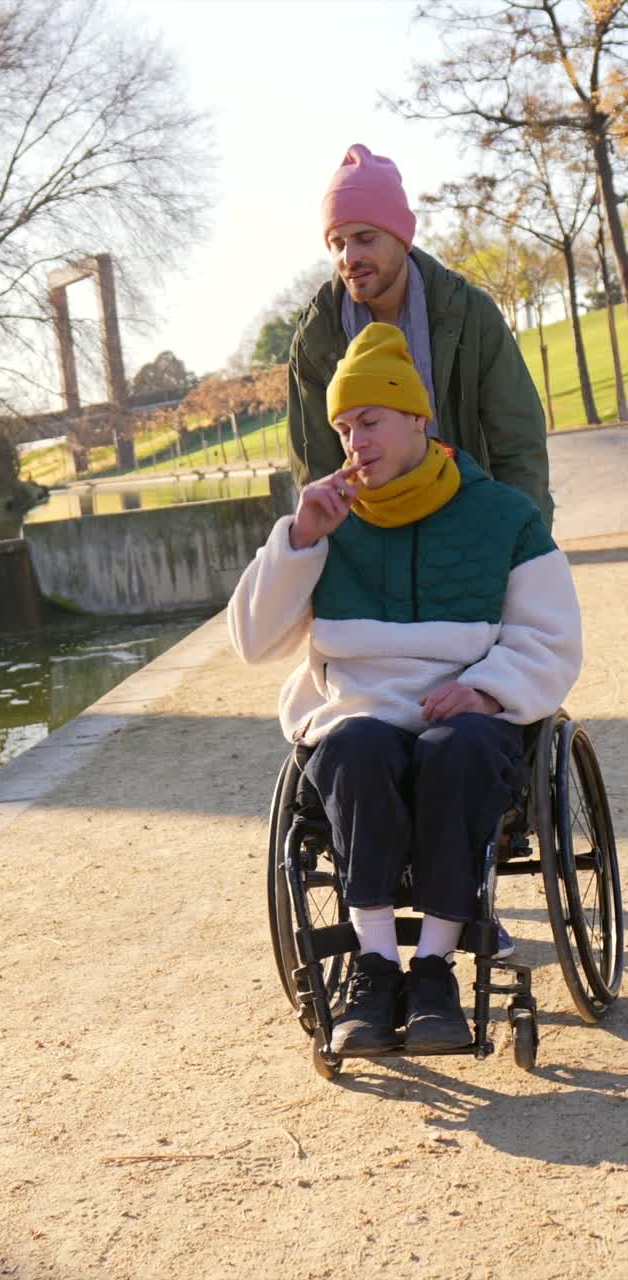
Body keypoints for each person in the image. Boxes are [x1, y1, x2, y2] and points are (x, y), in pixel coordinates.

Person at [228, 323, 581, 1056]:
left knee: (461, 749)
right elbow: (253, 642)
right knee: (354, 745)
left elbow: (550, 639)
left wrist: (488, 690)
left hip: (471, 711)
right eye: (344, 426)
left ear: (417, 418)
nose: (355, 440)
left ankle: (434, 971)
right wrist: (299, 541)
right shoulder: (327, 516)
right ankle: (377, 965)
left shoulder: (504, 518)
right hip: (357, 713)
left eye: (371, 420)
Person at [289, 143, 554, 530]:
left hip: (473, 527)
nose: (349, 257)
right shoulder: (315, 340)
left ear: (401, 237)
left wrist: (524, 548)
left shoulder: (469, 315)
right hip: (374, 545)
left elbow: (518, 445)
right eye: (337, 243)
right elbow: (315, 472)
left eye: (365, 238)